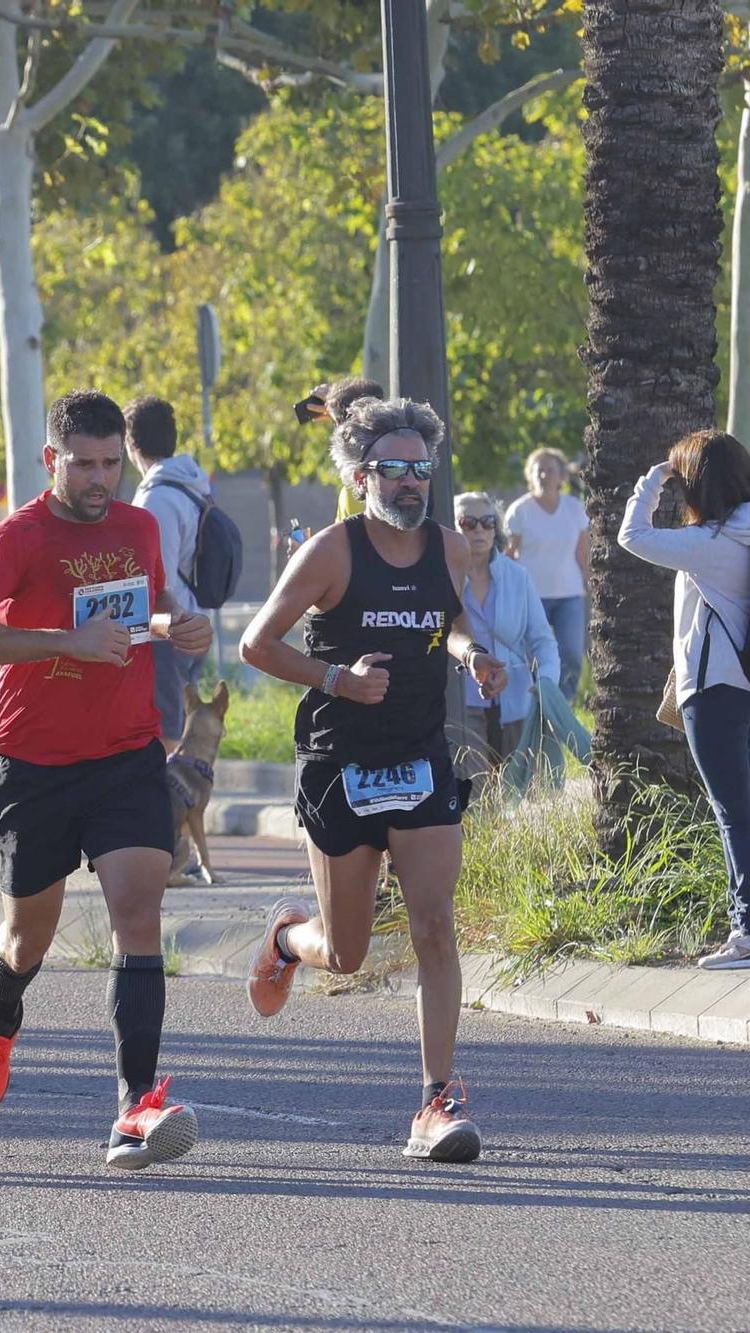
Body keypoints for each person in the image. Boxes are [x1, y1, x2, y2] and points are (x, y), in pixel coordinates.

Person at [0, 389, 212, 1170]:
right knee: (30, 934)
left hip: (126, 753)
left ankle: (134, 1107)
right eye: (83, 464)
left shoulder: (141, 524)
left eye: (110, 462)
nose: (100, 479)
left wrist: (169, 624)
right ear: (51, 461)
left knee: (138, 908)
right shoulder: (16, 537)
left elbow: (143, 605)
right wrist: (69, 640)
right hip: (36, 762)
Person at [240, 397, 506, 1164]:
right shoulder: (331, 551)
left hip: (420, 757)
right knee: (350, 952)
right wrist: (335, 678)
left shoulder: (449, 548)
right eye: (395, 468)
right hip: (339, 763)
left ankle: (437, 1098)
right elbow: (259, 643)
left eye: (422, 467)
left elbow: (449, 620)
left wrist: (469, 655)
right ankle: (291, 938)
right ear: (361, 475)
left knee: (433, 927)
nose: (412, 482)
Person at [617, 431, 750, 971]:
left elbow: (631, 535)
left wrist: (653, 480)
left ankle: (746, 932)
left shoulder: (709, 543)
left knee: (733, 812)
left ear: (695, 483)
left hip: (715, 687)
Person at [452, 492, 559, 790]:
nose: (479, 530)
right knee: (474, 795)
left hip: (516, 700)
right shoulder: (442, 577)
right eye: (468, 523)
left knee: (517, 795)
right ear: (453, 528)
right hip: (463, 704)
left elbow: (541, 640)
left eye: (487, 523)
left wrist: (547, 683)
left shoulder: (517, 577)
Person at [126, 396, 213, 749]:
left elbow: (154, 579)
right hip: (190, 621)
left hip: (167, 632)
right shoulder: (188, 486)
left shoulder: (157, 499)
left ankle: (167, 803)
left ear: (131, 445)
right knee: (177, 725)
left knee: (165, 734)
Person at [504, 448, 590, 701]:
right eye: (537, 469)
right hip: (532, 597)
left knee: (572, 653)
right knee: (532, 657)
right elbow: (510, 555)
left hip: (569, 595)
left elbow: (582, 552)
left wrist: (590, 580)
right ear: (530, 475)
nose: (543, 474)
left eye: (549, 469)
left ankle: (565, 704)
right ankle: (535, 704)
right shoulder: (519, 510)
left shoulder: (575, 509)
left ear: (561, 476)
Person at [296, 378, 385, 527]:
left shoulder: (360, 486)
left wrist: (304, 549)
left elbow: (351, 546)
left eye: (335, 424)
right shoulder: (400, 464)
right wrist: (336, 405)